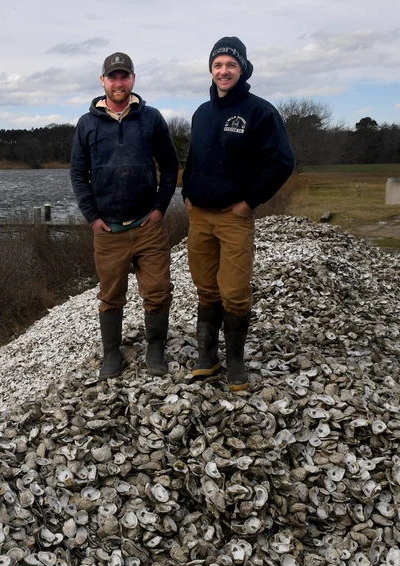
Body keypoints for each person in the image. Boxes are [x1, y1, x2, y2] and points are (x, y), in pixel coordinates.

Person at [181, 36, 294, 391]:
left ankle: (235, 364)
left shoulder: (259, 111)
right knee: (205, 288)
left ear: (242, 68)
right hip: (199, 216)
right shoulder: (201, 113)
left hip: (234, 217)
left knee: (234, 291)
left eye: (230, 64)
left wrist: (250, 202)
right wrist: (186, 192)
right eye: (217, 65)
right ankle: (207, 358)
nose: (223, 71)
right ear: (211, 70)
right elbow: (194, 158)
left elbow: (281, 162)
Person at [70, 52, 179, 379]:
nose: (119, 82)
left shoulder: (152, 118)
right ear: (103, 81)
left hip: (148, 225)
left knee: (158, 290)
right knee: (110, 295)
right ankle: (111, 354)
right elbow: (78, 174)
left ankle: (156, 348)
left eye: (124, 76)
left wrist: (160, 208)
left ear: (132, 79)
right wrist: (92, 217)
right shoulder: (87, 123)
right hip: (108, 231)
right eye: (112, 77)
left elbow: (171, 165)